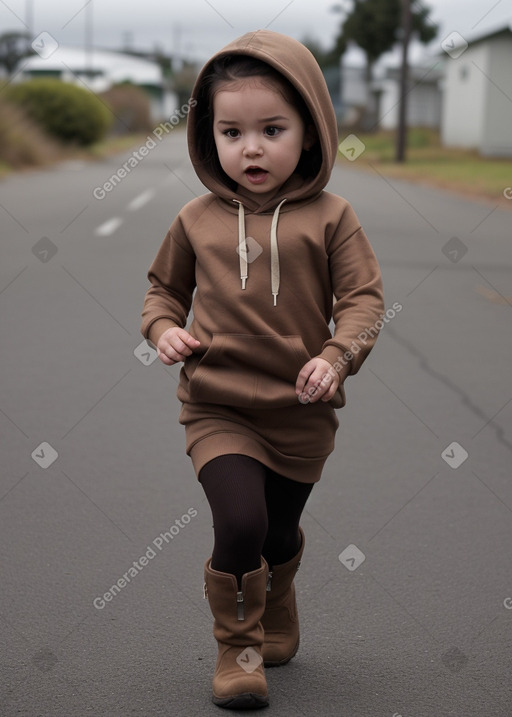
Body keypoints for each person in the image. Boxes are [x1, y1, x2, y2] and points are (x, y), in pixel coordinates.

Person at [141, 29, 384, 710]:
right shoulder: (194, 219)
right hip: (217, 404)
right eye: (231, 130)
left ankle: (279, 597)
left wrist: (337, 356)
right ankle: (238, 647)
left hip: (302, 409)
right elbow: (162, 292)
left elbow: (365, 301)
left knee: (278, 531)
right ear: (208, 136)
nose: (250, 147)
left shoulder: (333, 219)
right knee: (240, 521)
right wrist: (164, 330)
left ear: (309, 131)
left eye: (271, 128)